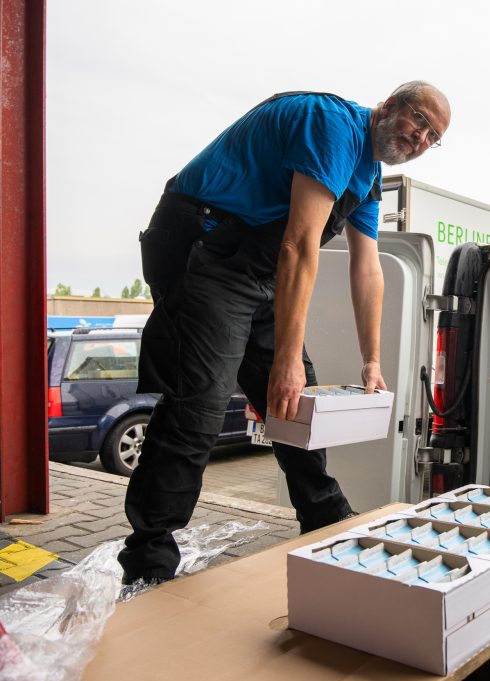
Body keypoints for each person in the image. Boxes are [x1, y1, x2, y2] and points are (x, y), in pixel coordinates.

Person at [118, 82, 451, 586]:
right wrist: (285, 358)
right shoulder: (333, 126)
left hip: (257, 269)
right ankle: (149, 559)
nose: (421, 138)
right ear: (388, 106)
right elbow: (298, 244)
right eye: (419, 120)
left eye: (433, 136)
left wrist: (372, 362)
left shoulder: (367, 175)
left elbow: (368, 269)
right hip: (205, 247)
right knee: (199, 403)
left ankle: (324, 516)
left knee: (300, 400)